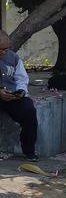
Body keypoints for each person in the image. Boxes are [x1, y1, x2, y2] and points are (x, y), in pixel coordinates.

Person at [0, 30, 38, 161]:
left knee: (29, 110)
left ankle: (29, 150)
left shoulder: (13, 58)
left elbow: (21, 79)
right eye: (1, 49)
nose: (4, 52)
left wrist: (20, 92)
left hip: (11, 97)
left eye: (6, 49)